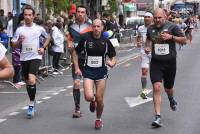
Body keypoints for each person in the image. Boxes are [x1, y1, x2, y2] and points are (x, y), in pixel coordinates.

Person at [72, 19, 117, 129]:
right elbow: (75, 52)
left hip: (101, 72)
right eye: (94, 26)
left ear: (102, 28)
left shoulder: (106, 41)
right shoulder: (86, 38)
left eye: (98, 26)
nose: (96, 29)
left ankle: (98, 119)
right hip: (88, 71)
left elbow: (113, 56)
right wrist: (77, 67)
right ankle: (92, 101)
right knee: (88, 96)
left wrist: (112, 63)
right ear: (91, 27)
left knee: (100, 99)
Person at [145, 8, 186, 128]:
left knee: (168, 88)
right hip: (156, 63)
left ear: (165, 17)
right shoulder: (150, 28)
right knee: (157, 87)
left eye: (159, 18)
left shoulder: (173, 26)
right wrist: (147, 47)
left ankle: (171, 98)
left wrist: (171, 37)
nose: (157, 20)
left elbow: (184, 40)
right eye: (155, 18)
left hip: (170, 63)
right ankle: (158, 117)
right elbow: (148, 40)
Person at [12, 6, 50, 118]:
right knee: (28, 81)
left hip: (36, 57)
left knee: (32, 79)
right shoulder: (19, 30)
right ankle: (32, 100)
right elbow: (13, 45)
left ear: (33, 16)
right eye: (25, 15)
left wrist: (43, 47)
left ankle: (31, 103)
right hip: (24, 58)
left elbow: (48, 37)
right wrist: (19, 41)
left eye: (29, 15)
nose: (27, 17)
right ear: (23, 16)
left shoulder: (39, 28)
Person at [67, 5, 93, 118]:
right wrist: (69, 45)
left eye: (83, 12)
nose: (80, 14)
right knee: (77, 83)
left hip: (89, 60)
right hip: (77, 59)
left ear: (85, 14)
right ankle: (77, 109)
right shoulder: (71, 27)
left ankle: (93, 99)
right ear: (76, 13)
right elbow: (69, 42)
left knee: (90, 86)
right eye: (78, 12)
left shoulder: (91, 27)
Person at [136, 12, 153, 99]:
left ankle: (156, 87)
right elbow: (138, 37)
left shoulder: (155, 28)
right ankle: (144, 90)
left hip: (154, 53)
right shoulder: (140, 28)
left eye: (148, 17)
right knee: (144, 72)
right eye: (145, 17)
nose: (146, 18)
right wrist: (138, 43)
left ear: (152, 18)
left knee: (155, 72)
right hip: (144, 52)